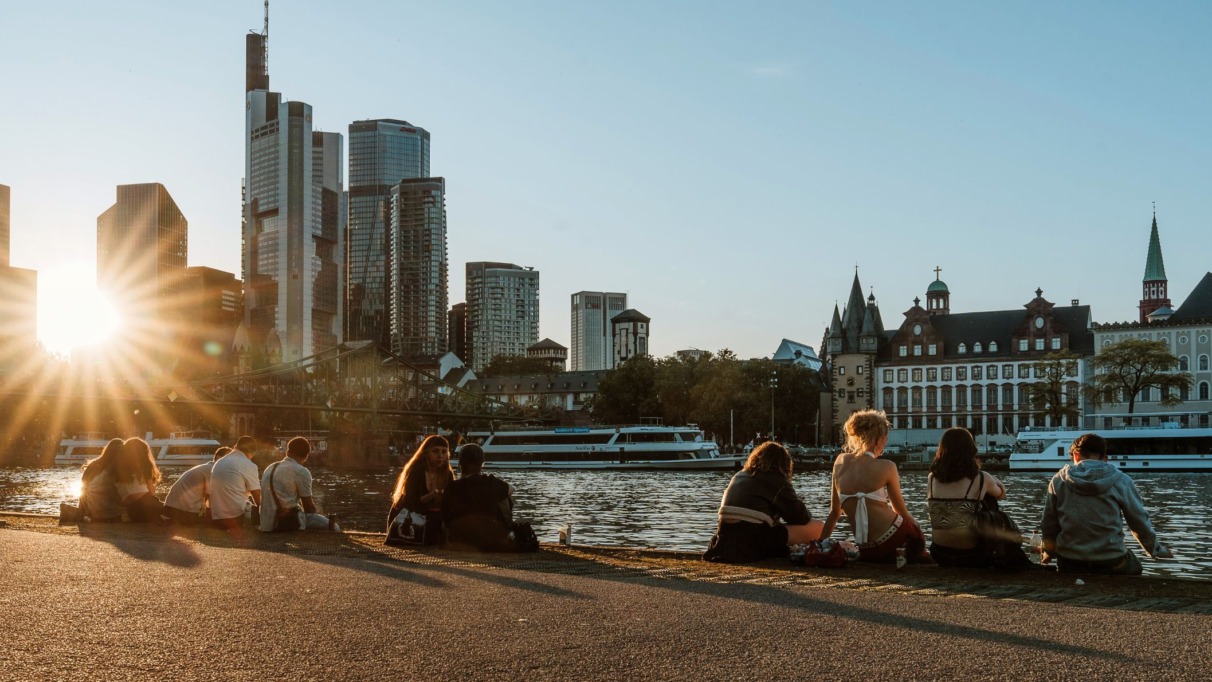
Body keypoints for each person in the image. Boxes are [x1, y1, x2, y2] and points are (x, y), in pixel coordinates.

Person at [1040, 433, 1173, 575]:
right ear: (1105, 458)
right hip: (1110, 561)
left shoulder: (1058, 480)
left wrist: (1049, 551)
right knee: (1135, 565)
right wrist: (1156, 550)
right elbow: (1138, 522)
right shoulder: (1121, 480)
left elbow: (1049, 523)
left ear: (1076, 455)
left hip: (1070, 562)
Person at [820, 409, 930, 564]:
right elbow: (901, 512)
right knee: (917, 537)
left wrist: (820, 545)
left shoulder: (840, 462)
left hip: (867, 549)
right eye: (885, 438)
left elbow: (834, 513)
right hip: (894, 537)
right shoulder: (887, 466)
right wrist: (918, 529)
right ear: (878, 440)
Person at [703, 441, 823, 563]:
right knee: (818, 527)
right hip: (753, 540)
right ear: (785, 464)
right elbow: (800, 517)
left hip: (723, 539)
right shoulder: (777, 480)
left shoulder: (739, 475)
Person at [926, 427, 1011, 567]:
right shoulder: (982, 478)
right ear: (971, 449)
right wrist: (994, 480)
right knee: (989, 499)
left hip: (938, 552)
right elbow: (1001, 495)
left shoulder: (932, 477)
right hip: (969, 554)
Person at [441, 443, 515, 551]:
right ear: (481, 464)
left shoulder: (451, 487)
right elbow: (511, 489)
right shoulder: (490, 482)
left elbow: (445, 514)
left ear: (460, 464)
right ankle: (505, 533)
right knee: (505, 496)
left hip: (459, 538)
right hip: (490, 538)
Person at [259, 437, 339, 532]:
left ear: (287, 452)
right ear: (306, 456)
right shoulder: (301, 471)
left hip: (266, 524)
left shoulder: (270, 468)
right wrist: (318, 513)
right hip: (285, 523)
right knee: (334, 526)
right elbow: (308, 508)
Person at [385, 435, 454, 545]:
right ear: (426, 453)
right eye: (435, 451)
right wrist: (431, 496)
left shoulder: (447, 475)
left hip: (433, 516)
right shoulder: (416, 471)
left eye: (444, 452)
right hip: (410, 515)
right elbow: (411, 502)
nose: (440, 456)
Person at [159, 447, 230, 526]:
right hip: (183, 511)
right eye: (229, 459)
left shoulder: (206, 467)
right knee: (219, 519)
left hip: (171, 508)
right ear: (218, 458)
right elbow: (212, 498)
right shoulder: (212, 470)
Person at [209, 435, 262, 531]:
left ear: (235, 446)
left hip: (215, 516)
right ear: (252, 452)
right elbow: (257, 498)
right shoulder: (248, 464)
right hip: (234, 518)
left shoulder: (220, 461)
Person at [113, 437, 164, 522]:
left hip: (133, 512)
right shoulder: (145, 467)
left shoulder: (117, 469)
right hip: (147, 505)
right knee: (169, 510)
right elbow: (152, 492)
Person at [79, 438, 125, 523]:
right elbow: (116, 495)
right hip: (109, 513)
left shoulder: (93, 465)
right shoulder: (115, 468)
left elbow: (83, 490)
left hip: (91, 512)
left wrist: (82, 511)